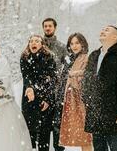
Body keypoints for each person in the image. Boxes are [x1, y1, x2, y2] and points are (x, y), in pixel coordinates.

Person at [82, 26, 117, 151]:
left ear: (115, 37)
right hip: (94, 110)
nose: (103, 31)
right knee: (98, 147)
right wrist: (86, 100)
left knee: (115, 147)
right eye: (102, 29)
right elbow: (86, 80)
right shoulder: (94, 55)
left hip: (112, 110)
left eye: (107, 30)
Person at [20, 35, 57, 151]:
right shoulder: (24, 57)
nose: (33, 43)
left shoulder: (49, 57)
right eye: (31, 41)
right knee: (30, 130)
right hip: (29, 97)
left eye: (36, 41)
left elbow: (52, 80)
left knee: (44, 132)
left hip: (45, 97)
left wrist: (47, 99)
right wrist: (30, 88)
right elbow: (26, 76)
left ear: (42, 44)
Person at [59, 33, 92, 151]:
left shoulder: (87, 57)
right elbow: (63, 78)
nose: (74, 46)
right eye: (72, 43)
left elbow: (88, 75)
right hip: (70, 99)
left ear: (83, 43)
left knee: (86, 134)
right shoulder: (70, 59)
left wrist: (73, 74)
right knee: (78, 134)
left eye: (77, 43)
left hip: (81, 99)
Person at [42, 17, 67, 151]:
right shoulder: (37, 44)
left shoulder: (62, 47)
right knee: (43, 126)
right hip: (41, 90)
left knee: (58, 124)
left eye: (50, 26)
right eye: (45, 26)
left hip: (58, 91)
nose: (47, 28)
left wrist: (61, 80)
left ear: (55, 28)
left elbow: (68, 66)